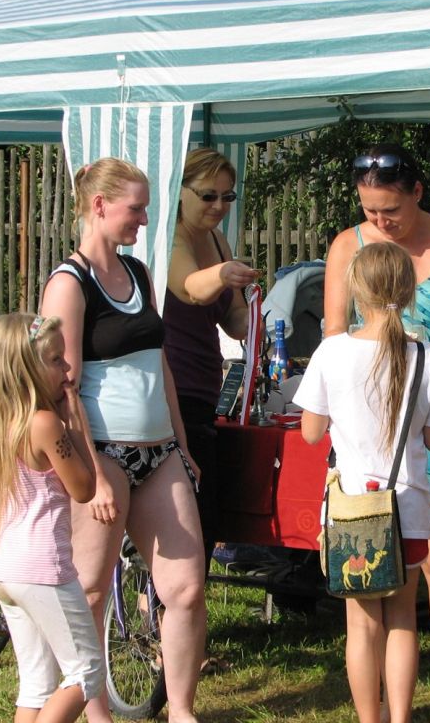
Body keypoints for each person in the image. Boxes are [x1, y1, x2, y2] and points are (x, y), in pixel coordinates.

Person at [324, 143, 430, 723]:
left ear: (417, 192)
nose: (381, 221)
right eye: (370, 211)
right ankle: (382, 699)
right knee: (378, 567)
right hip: (371, 423)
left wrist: (422, 368)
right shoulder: (347, 246)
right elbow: (333, 330)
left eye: (391, 210)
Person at [40, 157, 207, 723]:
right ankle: (95, 715)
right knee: (90, 590)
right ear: (99, 205)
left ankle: (181, 710)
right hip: (104, 452)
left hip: (160, 451)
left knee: (185, 588)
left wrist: (181, 446)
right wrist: (91, 471)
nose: (144, 219)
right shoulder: (69, 283)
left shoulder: (138, 272)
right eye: (136, 208)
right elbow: (62, 387)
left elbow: (161, 364)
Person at [295, 241, 430, 723]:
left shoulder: (331, 352)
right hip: (408, 506)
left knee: (362, 624)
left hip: (352, 509)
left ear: (355, 291)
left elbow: (310, 433)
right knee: (403, 618)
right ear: (410, 292)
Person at [0, 312, 102, 723]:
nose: (67, 369)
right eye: (55, 360)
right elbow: (84, 489)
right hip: (42, 570)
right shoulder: (46, 423)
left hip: (4, 568)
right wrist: (76, 423)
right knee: (86, 672)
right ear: (25, 369)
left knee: (37, 684)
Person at [163, 147, 257, 576]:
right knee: (190, 517)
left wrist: (260, 315)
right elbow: (189, 288)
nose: (219, 206)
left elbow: (233, 320)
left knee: (205, 515)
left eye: (227, 197)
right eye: (208, 196)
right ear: (180, 192)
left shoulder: (218, 241)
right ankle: (157, 604)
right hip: (170, 391)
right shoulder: (170, 238)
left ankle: (164, 603)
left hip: (204, 390)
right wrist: (222, 274)